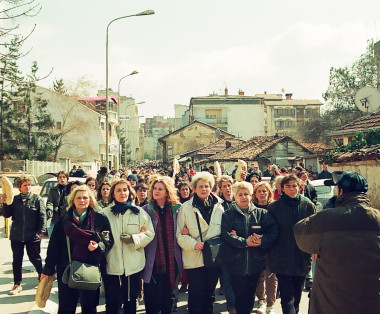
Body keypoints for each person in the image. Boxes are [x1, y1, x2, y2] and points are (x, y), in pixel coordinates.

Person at [294, 171, 380, 314]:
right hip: (371, 301)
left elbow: (300, 234)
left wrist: (330, 210)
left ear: (340, 191)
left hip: (332, 302)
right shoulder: (377, 218)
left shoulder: (326, 218)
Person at [41, 185, 113, 313]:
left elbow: (108, 241)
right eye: (78, 197)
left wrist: (98, 247)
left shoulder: (100, 219)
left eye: (85, 197)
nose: (82, 200)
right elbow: (54, 247)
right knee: (66, 307)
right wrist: (48, 269)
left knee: (89, 308)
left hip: (90, 268)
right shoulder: (64, 221)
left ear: (90, 200)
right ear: (72, 200)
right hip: (66, 269)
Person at [221, 181, 279, 314]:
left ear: (251, 195)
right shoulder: (228, 215)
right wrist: (245, 241)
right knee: (239, 297)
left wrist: (262, 241)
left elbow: (274, 231)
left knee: (250, 297)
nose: (243, 197)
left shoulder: (261, 214)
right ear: (235, 197)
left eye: (246, 194)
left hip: (255, 263)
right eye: (240, 194)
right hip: (235, 264)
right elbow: (226, 235)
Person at [100, 179, 154, 314]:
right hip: (112, 264)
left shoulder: (139, 212)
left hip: (133, 265)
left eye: (125, 190)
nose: (122, 193)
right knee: (112, 300)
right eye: (118, 190)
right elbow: (98, 235)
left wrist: (134, 239)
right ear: (113, 194)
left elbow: (149, 233)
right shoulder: (104, 213)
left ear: (130, 192)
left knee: (130, 300)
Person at [267, 174, 316, 314]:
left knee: (297, 295)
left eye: (294, 186)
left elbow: (314, 231)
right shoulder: (274, 208)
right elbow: (270, 231)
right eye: (288, 186)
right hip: (281, 257)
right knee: (287, 297)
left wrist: (315, 248)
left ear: (300, 187)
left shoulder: (308, 206)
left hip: (301, 257)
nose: (292, 189)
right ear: (282, 188)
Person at [176, 171, 224, 314]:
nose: (204, 189)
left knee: (209, 295)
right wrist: (193, 243)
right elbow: (179, 235)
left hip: (213, 257)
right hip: (194, 258)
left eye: (207, 186)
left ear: (211, 188)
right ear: (194, 189)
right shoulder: (185, 208)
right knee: (196, 294)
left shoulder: (219, 207)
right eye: (200, 186)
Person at [141, 176, 182, 314]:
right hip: (153, 260)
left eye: (160, 189)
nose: (156, 191)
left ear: (167, 192)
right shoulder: (146, 210)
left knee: (168, 295)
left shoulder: (178, 209)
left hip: (172, 259)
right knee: (151, 296)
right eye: (154, 188)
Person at [3, 174, 47, 295]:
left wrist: (41, 231)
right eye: (25, 185)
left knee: (35, 258)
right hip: (17, 235)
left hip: (32, 235)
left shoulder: (36, 199)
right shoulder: (14, 199)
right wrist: (5, 203)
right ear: (19, 187)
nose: (28, 187)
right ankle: (17, 284)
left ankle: (41, 276)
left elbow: (42, 216)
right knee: (17, 260)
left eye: (29, 185)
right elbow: (6, 215)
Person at [252, 182, 278, 314]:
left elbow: (277, 228)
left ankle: (270, 304)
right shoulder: (251, 208)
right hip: (255, 247)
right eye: (259, 191)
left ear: (269, 193)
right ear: (255, 194)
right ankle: (261, 301)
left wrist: (265, 239)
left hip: (271, 247)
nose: (262, 193)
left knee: (271, 276)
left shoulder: (274, 208)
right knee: (259, 276)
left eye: (264, 191)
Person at [217, 175, 235, 313]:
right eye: (224, 186)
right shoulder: (218, 205)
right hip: (224, 246)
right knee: (227, 277)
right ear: (220, 189)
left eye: (229, 185)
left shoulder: (240, 201)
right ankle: (231, 306)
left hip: (240, 246)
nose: (228, 188)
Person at [46, 171, 69, 236]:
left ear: (67, 178)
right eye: (60, 177)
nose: (62, 179)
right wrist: (50, 209)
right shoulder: (53, 190)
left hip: (66, 217)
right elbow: (49, 202)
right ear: (57, 179)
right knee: (52, 235)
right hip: (55, 216)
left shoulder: (70, 190)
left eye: (64, 177)